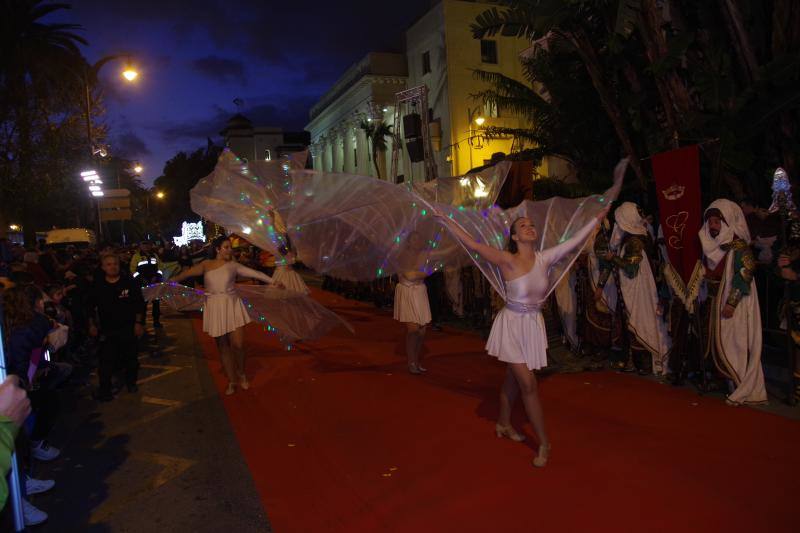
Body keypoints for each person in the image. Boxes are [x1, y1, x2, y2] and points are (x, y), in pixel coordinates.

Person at [435, 206, 608, 467]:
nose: (530, 227)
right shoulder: (507, 259)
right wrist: (447, 221)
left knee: (512, 380)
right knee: (528, 384)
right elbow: (471, 242)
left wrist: (596, 218)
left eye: (531, 225)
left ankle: (504, 423)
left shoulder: (544, 258)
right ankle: (544, 443)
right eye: (523, 226)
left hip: (532, 325)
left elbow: (573, 241)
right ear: (515, 237)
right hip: (512, 325)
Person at [170, 236, 284, 395]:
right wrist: (171, 281)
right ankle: (232, 380)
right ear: (217, 249)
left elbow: (255, 273)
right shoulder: (205, 264)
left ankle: (241, 373)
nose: (230, 250)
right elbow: (186, 274)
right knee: (223, 346)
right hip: (214, 306)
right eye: (226, 247)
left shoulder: (233, 265)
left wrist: (273, 281)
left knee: (238, 345)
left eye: (230, 247)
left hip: (232, 305)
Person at [698, 200, 767, 405]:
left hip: (731, 303)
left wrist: (731, 303)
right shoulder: (710, 245)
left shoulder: (739, 247)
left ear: (728, 222)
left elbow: (744, 275)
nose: (713, 226)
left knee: (733, 342)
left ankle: (736, 381)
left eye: (717, 221)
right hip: (711, 300)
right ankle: (720, 379)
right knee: (714, 342)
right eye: (710, 221)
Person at [596, 202, 671, 375]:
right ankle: (634, 361)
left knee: (639, 322)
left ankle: (642, 363)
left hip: (639, 294)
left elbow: (630, 269)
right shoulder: (630, 240)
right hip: (631, 292)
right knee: (628, 324)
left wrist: (612, 258)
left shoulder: (635, 242)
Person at [88, 253, 146, 401]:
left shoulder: (129, 283)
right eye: (108, 264)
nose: (112, 267)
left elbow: (139, 305)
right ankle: (105, 390)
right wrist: (91, 325)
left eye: (115, 264)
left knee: (131, 359)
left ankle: (131, 383)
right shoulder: (98, 285)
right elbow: (89, 307)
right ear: (103, 267)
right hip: (107, 330)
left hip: (128, 328)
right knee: (106, 361)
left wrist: (138, 323)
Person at [393, 232, 432, 375]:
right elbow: (409, 275)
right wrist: (421, 273)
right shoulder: (401, 255)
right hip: (407, 293)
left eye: (419, 239)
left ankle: (416, 360)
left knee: (422, 331)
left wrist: (419, 273)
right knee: (413, 330)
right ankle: (411, 362)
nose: (417, 242)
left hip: (420, 293)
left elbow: (425, 272)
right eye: (414, 239)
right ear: (408, 242)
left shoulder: (423, 255)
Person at [130, 241, 163, 328]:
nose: (146, 246)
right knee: (142, 305)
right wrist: (141, 279)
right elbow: (132, 270)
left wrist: (157, 276)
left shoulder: (155, 255)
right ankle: (142, 323)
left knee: (156, 304)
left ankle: (156, 322)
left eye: (148, 244)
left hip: (154, 283)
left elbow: (160, 267)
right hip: (142, 283)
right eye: (144, 244)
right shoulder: (136, 256)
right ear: (140, 246)